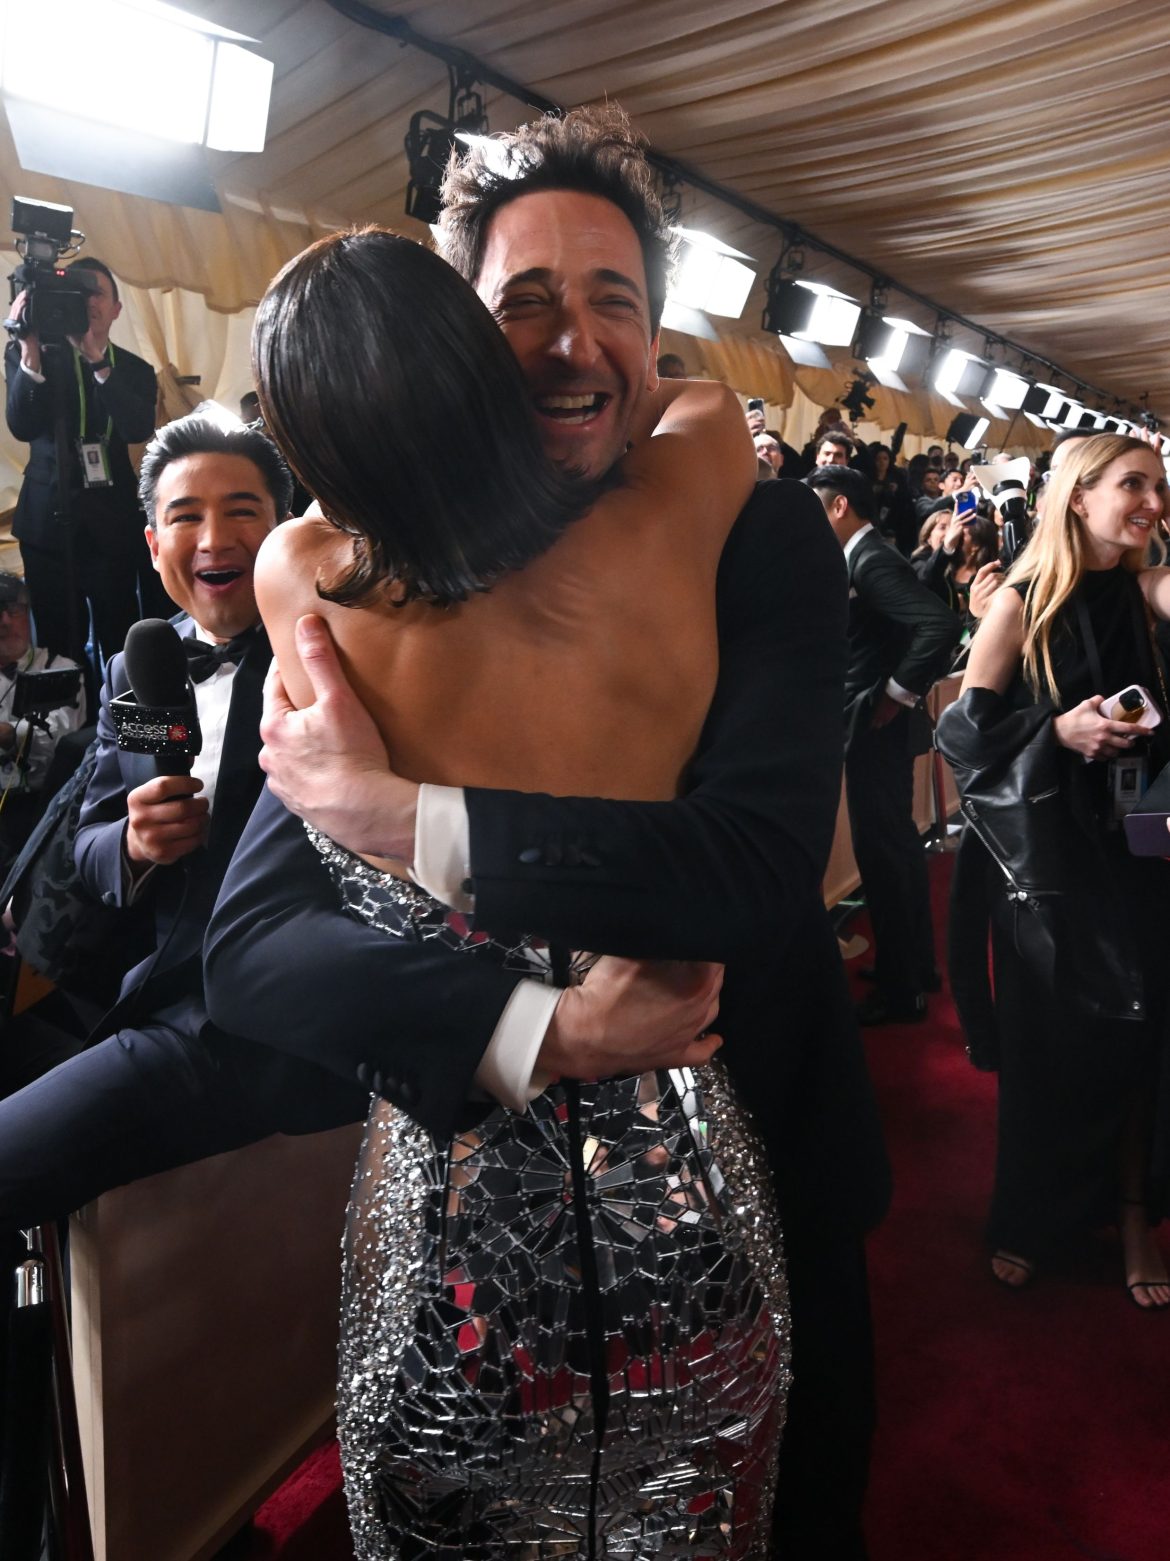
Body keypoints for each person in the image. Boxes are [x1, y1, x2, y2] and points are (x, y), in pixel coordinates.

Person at [207, 107, 889, 1560]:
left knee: (786, 1507)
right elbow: (259, 951)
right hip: (457, 1230)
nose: (573, 341)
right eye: (522, 304)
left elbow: (758, 875)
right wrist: (545, 1029)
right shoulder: (356, 589)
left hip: (756, 1138)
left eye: (612, 302)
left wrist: (404, 818)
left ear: (656, 335)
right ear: (457, 344)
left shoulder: (748, 535)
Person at [937, 434, 1170, 1305]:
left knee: (1142, 1034)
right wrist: (1058, 732)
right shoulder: (1022, 602)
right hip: (1047, 859)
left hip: (1140, 848)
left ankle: (1136, 1213)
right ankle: (1032, 1214)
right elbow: (961, 735)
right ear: (1079, 496)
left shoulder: (1149, 591)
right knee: (1049, 1043)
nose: (1153, 501)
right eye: (1134, 484)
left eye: (1161, 486)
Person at [805, 464, 960, 1024]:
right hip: (877, 725)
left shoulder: (870, 559)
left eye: (816, 511)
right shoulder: (871, 556)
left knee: (885, 854)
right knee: (895, 851)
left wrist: (893, 693)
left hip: (876, 724)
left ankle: (901, 992)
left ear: (840, 506)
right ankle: (913, 968)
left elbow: (937, 625)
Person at [4, 257, 160, 662]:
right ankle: (65, 724)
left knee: (120, 637)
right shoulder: (30, 354)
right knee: (58, 642)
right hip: (46, 525)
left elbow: (136, 428)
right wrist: (30, 351)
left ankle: (124, 726)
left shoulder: (135, 368)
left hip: (112, 524)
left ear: (115, 309)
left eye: (98, 293)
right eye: (80, 290)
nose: (88, 300)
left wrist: (98, 362)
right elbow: (21, 425)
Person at [0, 572, 86, 872]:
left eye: (15, 610)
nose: (6, 622)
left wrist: (8, 735)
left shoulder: (61, 670)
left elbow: (61, 742)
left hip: (49, 809)